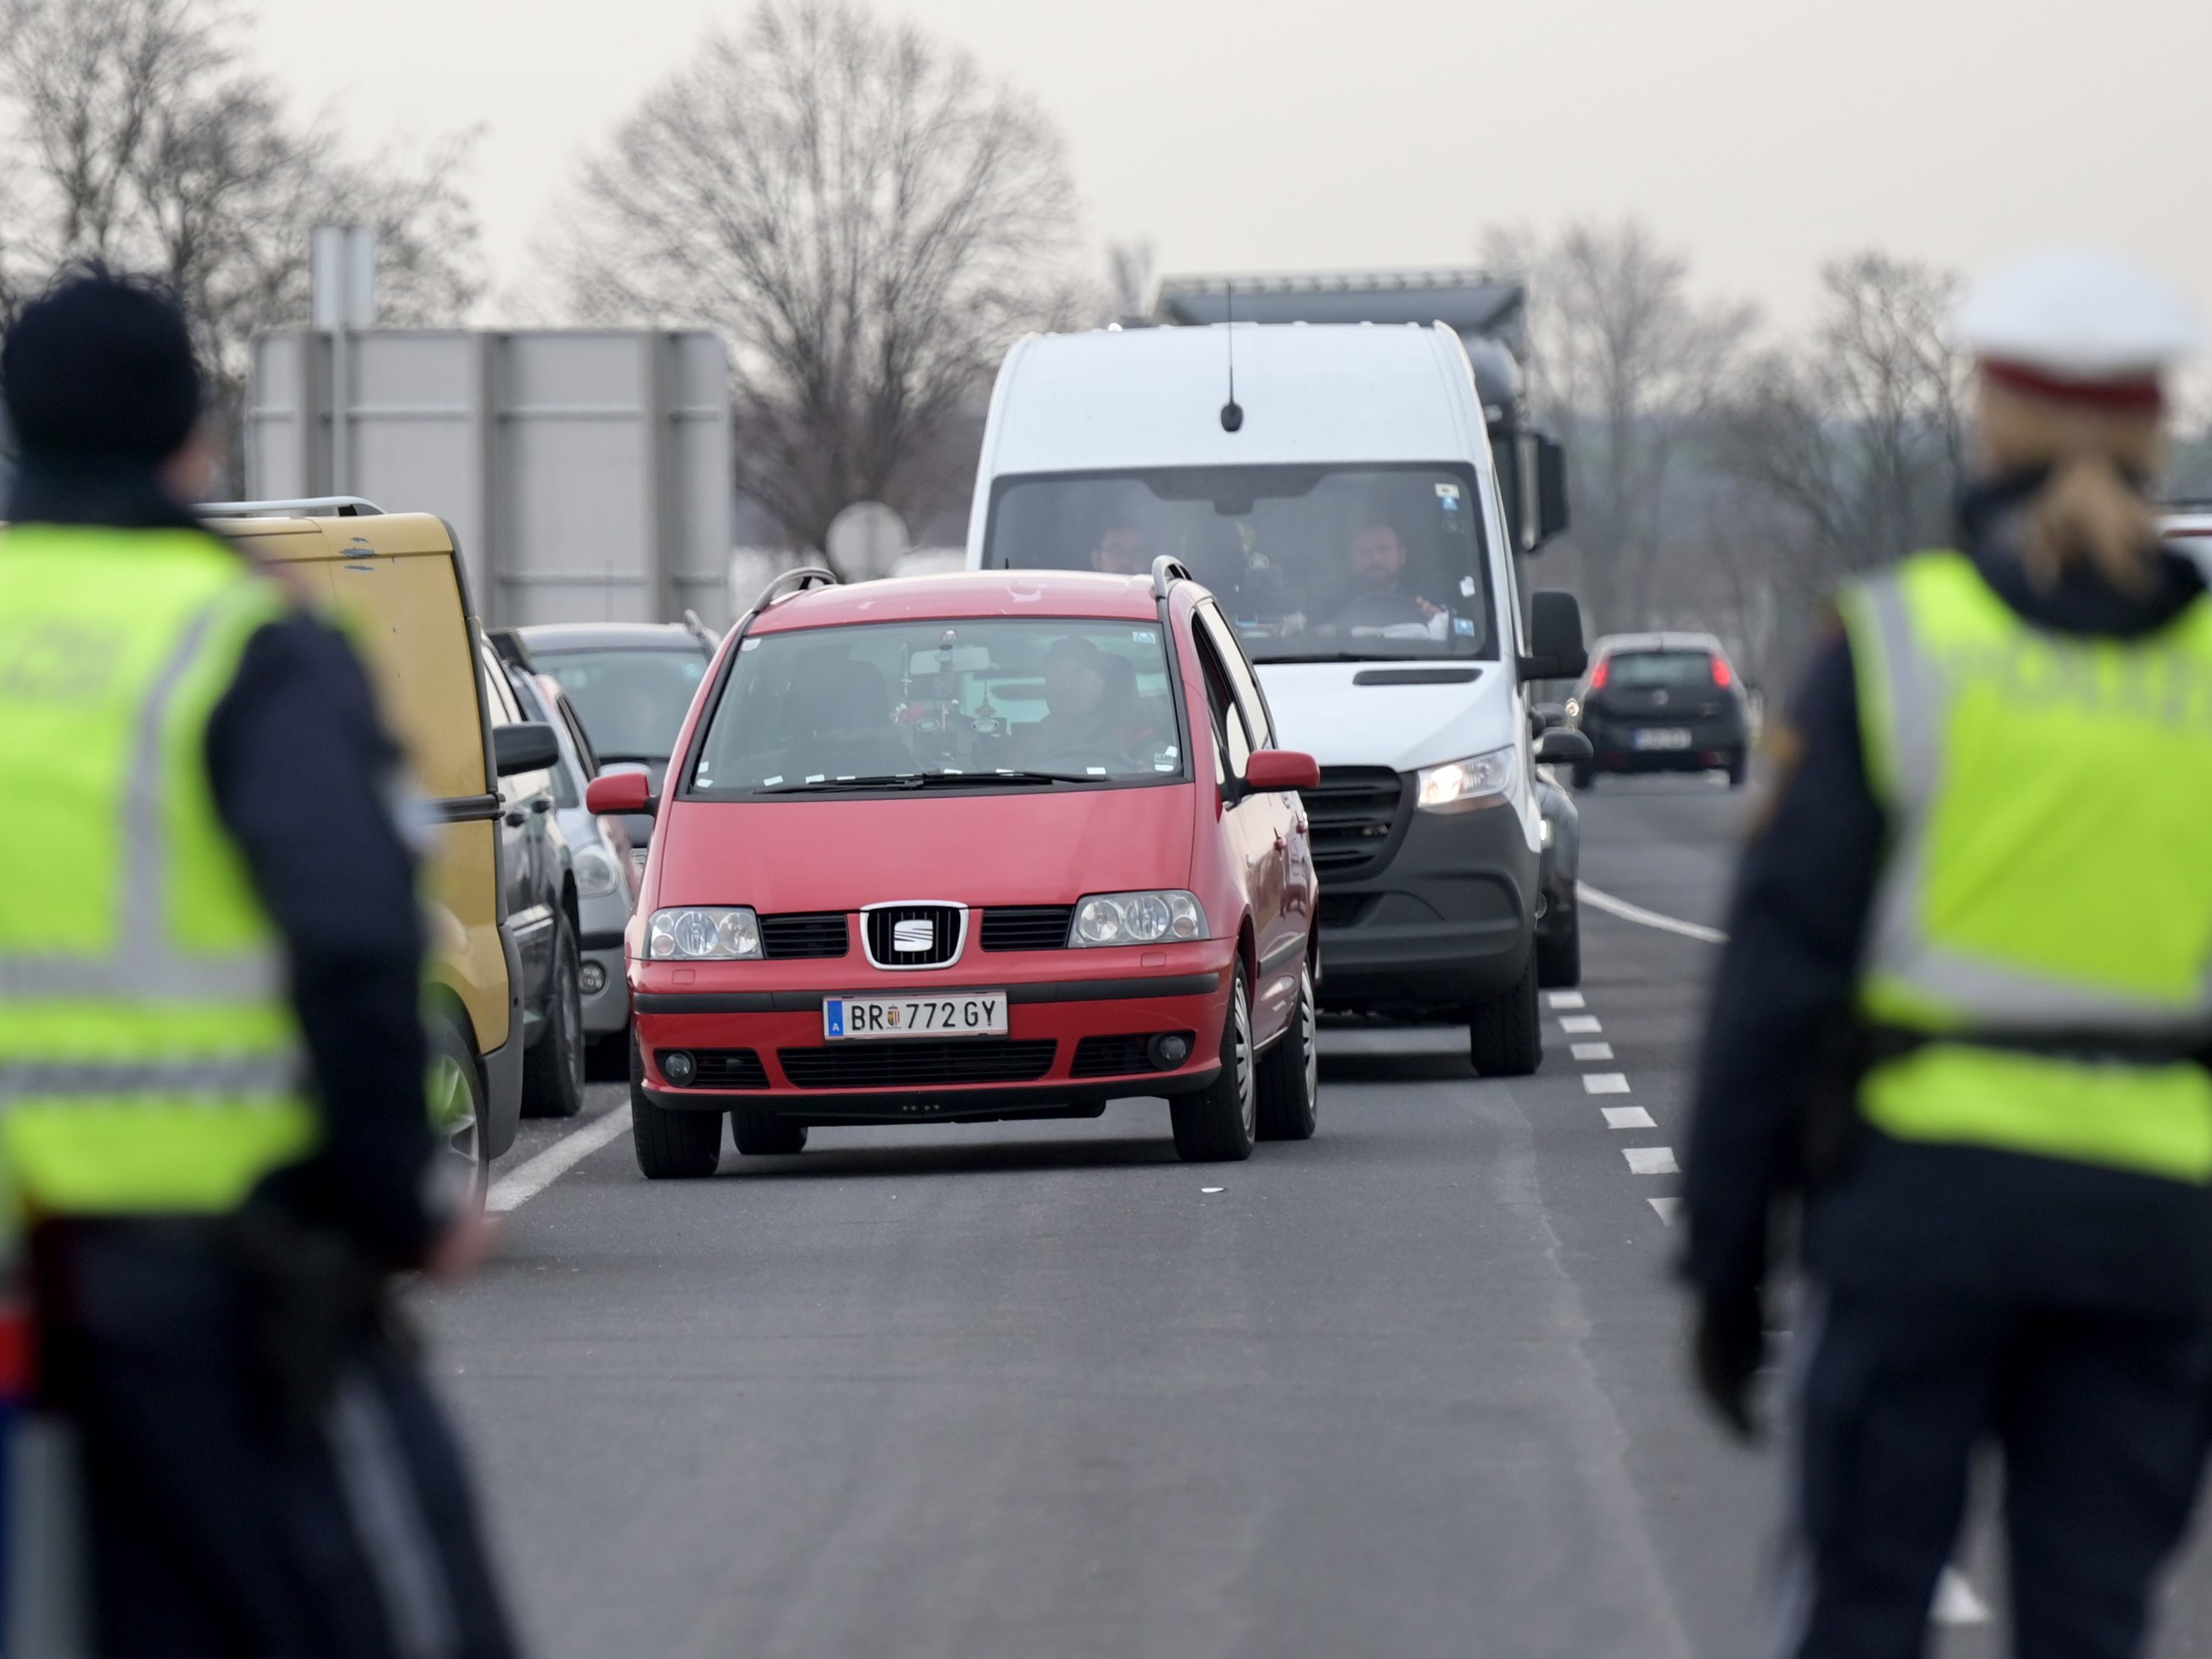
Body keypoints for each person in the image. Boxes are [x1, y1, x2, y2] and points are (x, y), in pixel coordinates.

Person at [1683, 249, 2212, 1659]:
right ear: (2158, 423)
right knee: (2092, 1618)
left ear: (1987, 416)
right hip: (2151, 1233)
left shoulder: (1899, 643)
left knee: (1859, 1603)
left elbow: (1775, 982)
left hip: (1920, 1222)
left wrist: (1727, 1267)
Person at [0, 270, 520, 1657]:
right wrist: (398, 1212)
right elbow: (354, 945)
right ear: (191, 438)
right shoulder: (240, 636)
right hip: (210, 1291)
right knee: (392, 1600)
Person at [1012, 635, 1159, 768]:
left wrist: (1148, 772)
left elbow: (1164, 775)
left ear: (1100, 685)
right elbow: (1009, 783)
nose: (1066, 686)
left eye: (1077, 676)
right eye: (1056, 676)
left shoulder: (1135, 736)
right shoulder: (1029, 742)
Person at [1328, 520, 1443, 632]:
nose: (1375, 559)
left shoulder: (1428, 603)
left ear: (1402, 555)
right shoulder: (1334, 609)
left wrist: (1439, 621)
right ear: (1352, 560)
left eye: (1384, 550)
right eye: (1364, 552)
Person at [1088, 517, 1153, 576]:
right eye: (1116, 552)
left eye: (1137, 554)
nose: (1126, 561)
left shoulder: (1159, 588)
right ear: (1096, 559)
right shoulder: (1080, 588)